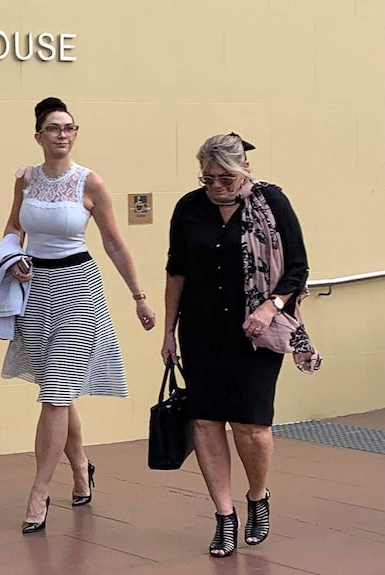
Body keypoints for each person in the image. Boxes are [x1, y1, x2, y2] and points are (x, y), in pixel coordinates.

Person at [1, 97, 156, 534]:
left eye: (69, 128)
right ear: (38, 135)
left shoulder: (90, 183)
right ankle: (82, 467)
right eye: (53, 128)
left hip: (78, 291)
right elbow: (14, 226)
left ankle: (38, 492)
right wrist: (12, 254)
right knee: (60, 392)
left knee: (54, 393)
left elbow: (113, 242)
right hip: (36, 289)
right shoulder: (25, 179)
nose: (62, 135)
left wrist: (139, 296)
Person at [161, 133, 314, 557]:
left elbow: (297, 267)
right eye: (207, 178)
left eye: (224, 178)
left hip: (255, 333)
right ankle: (224, 517)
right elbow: (176, 272)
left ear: (243, 170)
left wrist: (271, 306)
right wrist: (169, 331)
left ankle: (258, 496)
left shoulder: (271, 203)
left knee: (252, 426)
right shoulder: (189, 208)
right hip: (201, 329)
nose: (215, 186)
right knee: (207, 421)